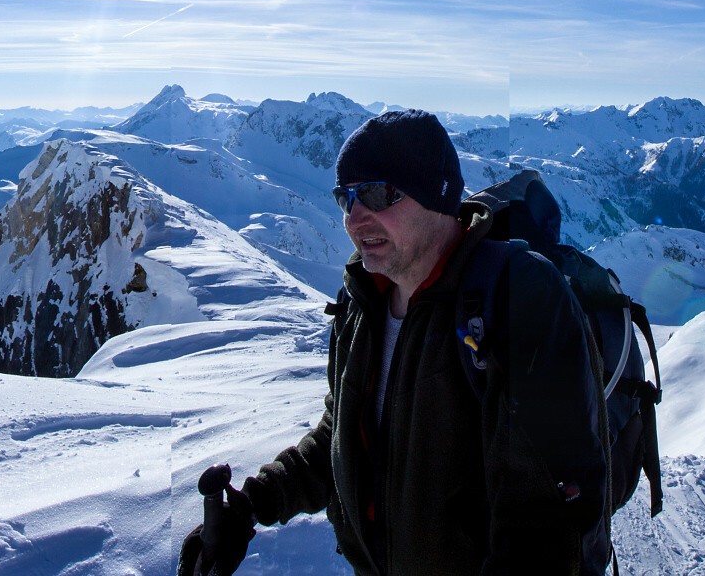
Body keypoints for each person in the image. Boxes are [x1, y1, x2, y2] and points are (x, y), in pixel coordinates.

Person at [178, 110, 608, 575]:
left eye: (378, 194)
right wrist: (251, 505)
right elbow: (340, 435)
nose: (356, 218)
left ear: (437, 196)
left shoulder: (519, 299)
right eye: (346, 198)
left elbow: (544, 520)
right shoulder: (363, 299)